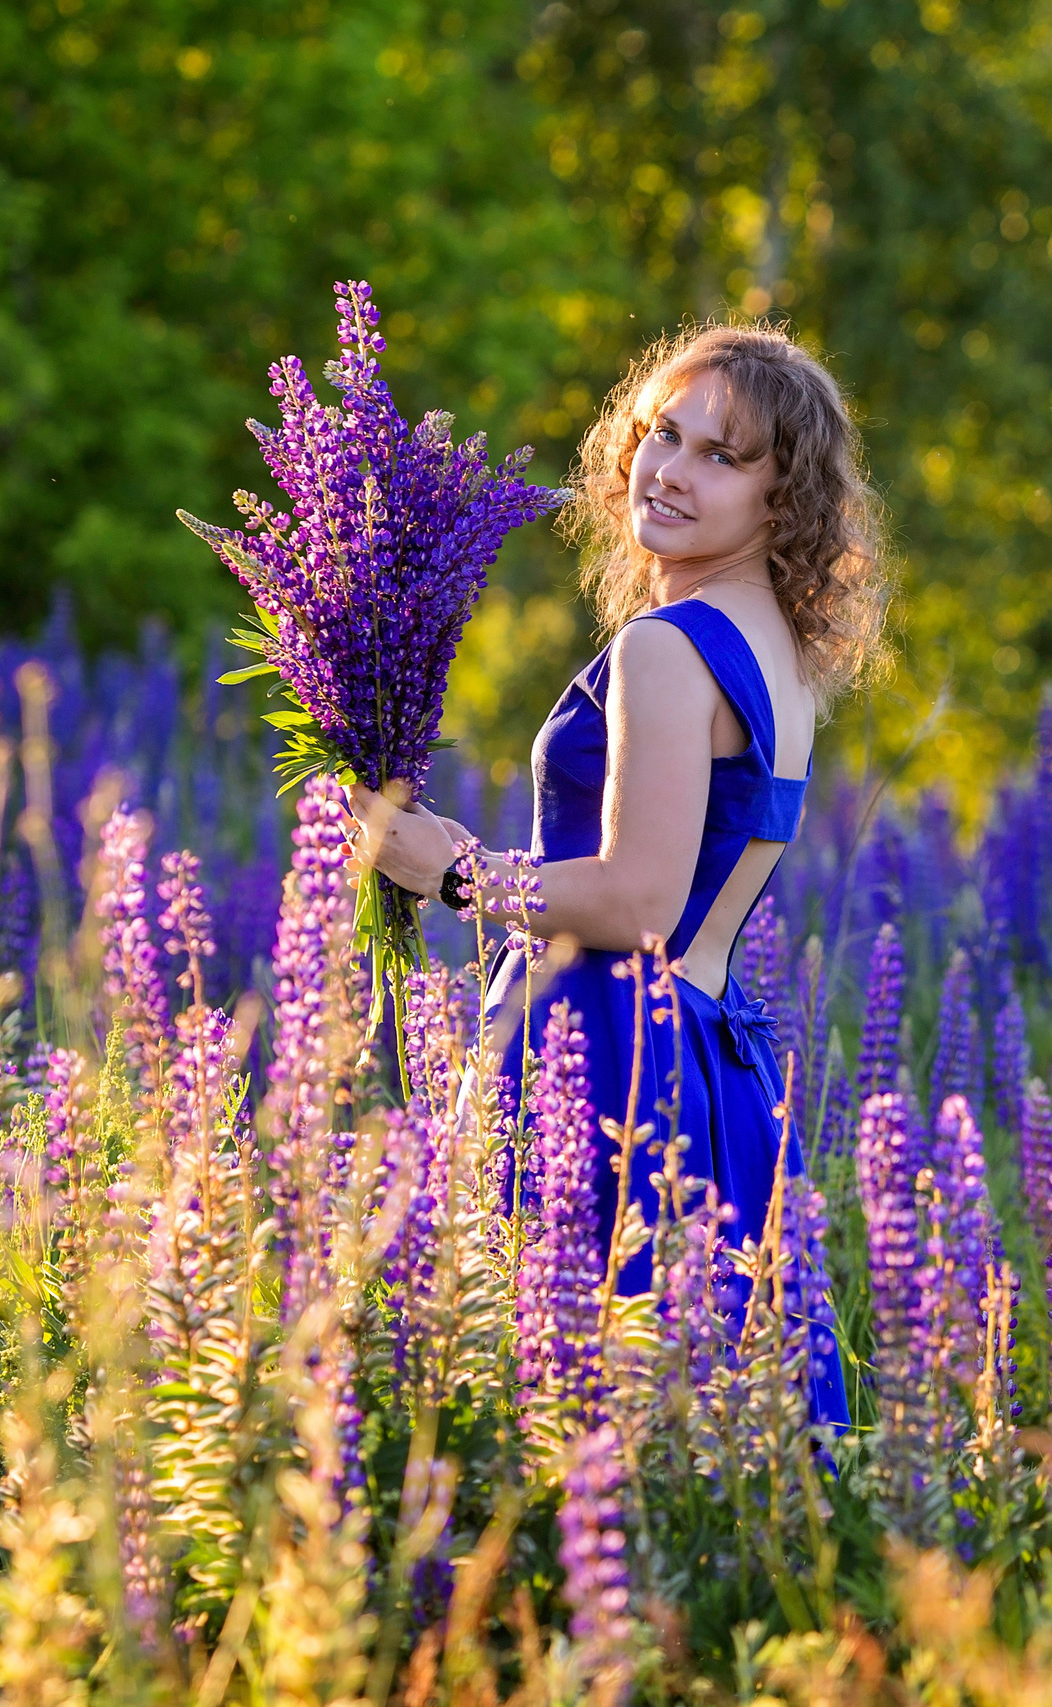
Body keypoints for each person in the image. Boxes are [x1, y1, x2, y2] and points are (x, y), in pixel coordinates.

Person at [346, 323, 886, 1425]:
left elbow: (638, 900)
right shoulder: (778, 659)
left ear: (782, 499)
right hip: (714, 1063)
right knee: (697, 1432)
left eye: (721, 456)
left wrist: (453, 872)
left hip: (600, 1056)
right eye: (661, 434)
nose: (670, 470)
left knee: (557, 1417)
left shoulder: (667, 648)